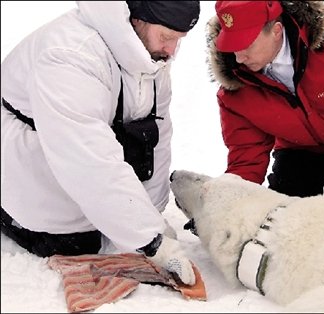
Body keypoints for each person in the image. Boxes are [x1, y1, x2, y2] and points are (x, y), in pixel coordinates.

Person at [1, 1, 200, 286]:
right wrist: (151, 241)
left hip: (79, 150)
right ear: (136, 20)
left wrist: (152, 216)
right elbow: (87, 159)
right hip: (26, 153)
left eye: (177, 41)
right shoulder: (70, 56)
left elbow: (155, 137)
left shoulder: (151, 54)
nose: (170, 52)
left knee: (117, 230)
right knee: (75, 243)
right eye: (166, 38)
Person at [206, 1, 324, 198]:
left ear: (276, 30)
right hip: (304, 148)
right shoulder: (236, 89)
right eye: (231, 46)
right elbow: (247, 160)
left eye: (245, 44)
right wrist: (226, 203)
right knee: (286, 213)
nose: (239, 58)